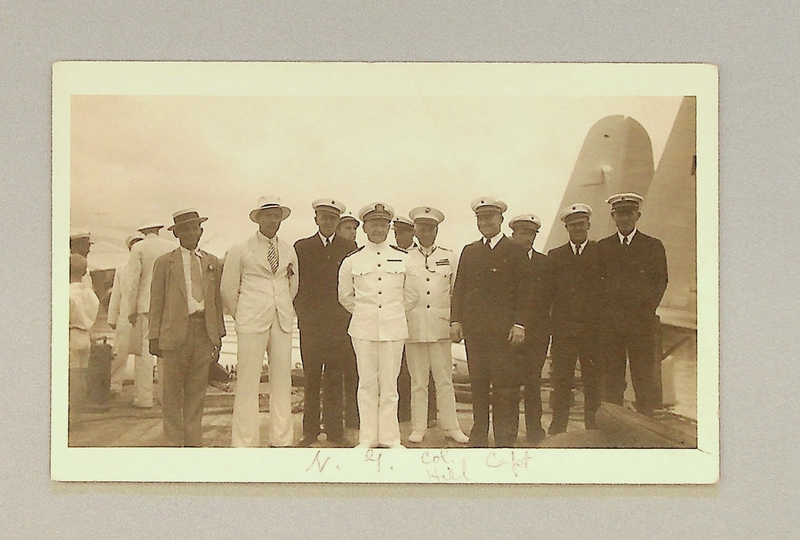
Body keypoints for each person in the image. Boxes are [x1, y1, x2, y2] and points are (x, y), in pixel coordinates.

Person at [338, 202, 419, 449]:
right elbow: (345, 297)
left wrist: (391, 313)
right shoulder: (352, 260)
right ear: (365, 227)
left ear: (389, 228)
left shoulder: (404, 258)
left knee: (390, 386)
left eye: (383, 225)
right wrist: (367, 313)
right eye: (373, 224)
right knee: (366, 384)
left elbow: (412, 296)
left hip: (393, 328)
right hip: (363, 329)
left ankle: (390, 439)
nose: (378, 229)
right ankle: (368, 439)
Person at [450, 197, 529, 447]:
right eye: (480, 218)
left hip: (504, 331)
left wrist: (519, 324)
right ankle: (479, 434)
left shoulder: (515, 250)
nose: (484, 222)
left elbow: (525, 292)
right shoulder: (470, 250)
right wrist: (456, 321)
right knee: (479, 383)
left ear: (501, 220)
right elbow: (460, 288)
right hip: (476, 330)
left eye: (489, 218)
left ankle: (505, 436)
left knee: (505, 385)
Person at [221, 196, 298, 447]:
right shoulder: (240, 250)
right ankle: (245, 442)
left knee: (282, 380)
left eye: (277, 215)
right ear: (258, 218)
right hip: (251, 320)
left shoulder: (288, 249)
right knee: (247, 381)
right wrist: (242, 313)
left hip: (282, 320)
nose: (273, 220)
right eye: (268, 215)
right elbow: (228, 289)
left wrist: (282, 306)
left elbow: (292, 285)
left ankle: (282, 438)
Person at [149, 209, 226, 447]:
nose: (191, 232)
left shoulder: (211, 261)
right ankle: (173, 441)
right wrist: (153, 335)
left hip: (204, 331)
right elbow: (157, 300)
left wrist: (219, 334)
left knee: (197, 391)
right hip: (174, 333)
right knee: (172, 392)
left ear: (201, 231)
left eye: (195, 228)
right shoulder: (165, 262)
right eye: (185, 229)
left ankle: (194, 440)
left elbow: (216, 300)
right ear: (177, 234)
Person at [293, 199, 358, 447]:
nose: (328, 222)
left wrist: (347, 318)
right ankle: (309, 432)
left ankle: (335, 432)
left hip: (339, 326)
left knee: (334, 379)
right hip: (311, 326)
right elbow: (297, 286)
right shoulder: (302, 247)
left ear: (337, 221)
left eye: (333, 218)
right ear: (316, 219)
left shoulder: (348, 247)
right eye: (324, 217)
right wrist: (303, 316)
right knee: (311, 379)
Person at [598, 193, 668, 417]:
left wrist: (644, 310)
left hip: (641, 323)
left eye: (629, 214)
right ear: (613, 216)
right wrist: (609, 315)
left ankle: (645, 421)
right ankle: (614, 420)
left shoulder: (653, 246)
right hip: (611, 325)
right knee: (613, 377)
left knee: (643, 375)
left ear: (637, 215)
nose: (625, 218)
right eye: (620, 214)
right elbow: (597, 285)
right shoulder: (603, 247)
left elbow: (660, 281)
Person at [404, 206, 469, 444]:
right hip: (414, 326)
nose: (426, 232)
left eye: (430, 228)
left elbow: (456, 292)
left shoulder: (450, 256)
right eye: (421, 227)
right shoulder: (404, 257)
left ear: (437, 230)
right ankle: (418, 427)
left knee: (444, 381)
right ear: (415, 230)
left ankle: (451, 426)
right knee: (418, 381)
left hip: (440, 327)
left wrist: (455, 321)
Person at [539, 204, 604, 435]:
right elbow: (547, 294)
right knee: (562, 379)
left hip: (592, 330)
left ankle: (592, 424)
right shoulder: (556, 256)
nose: (577, 228)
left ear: (588, 225)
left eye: (581, 224)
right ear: (566, 228)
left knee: (593, 379)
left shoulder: (600, 252)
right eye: (572, 225)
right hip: (564, 329)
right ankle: (559, 424)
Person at [508, 213, 551, 444]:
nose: (527, 238)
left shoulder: (544, 263)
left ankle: (535, 431)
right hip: (509, 334)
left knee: (533, 382)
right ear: (513, 234)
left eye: (531, 234)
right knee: (510, 384)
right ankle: (510, 431)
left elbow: (550, 298)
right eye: (522, 233)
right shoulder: (503, 260)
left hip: (537, 333)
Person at [125, 218, 175, 409]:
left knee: (144, 353)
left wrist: (131, 309)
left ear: (143, 230)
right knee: (165, 352)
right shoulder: (170, 246)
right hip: (168, 305)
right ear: (158, 229)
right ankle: (166, 397)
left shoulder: (138, 249)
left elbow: (133, 282)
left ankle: (144, 399)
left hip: (145, 305)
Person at [106, 233, 143, 396]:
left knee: (144, 355)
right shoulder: (122, 268)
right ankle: (115, 385)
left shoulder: (152, 266)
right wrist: (112, 318)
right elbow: (117, 294)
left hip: (143, 316)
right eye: (133, 245)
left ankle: (142, 391)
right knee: (120, 353)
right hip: (125, 317)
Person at [68, 254, 99, 428]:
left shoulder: (68, 294)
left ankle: (72, 419)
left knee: (72, 379)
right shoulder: (90, 294)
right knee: (81, 378)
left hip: (71, 335)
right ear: (85, 271)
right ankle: (78, 416)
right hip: (85, 336)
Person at [391, 215, 416, 424]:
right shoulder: (390, 255)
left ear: (413, 233)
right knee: (398, 368)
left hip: (418, 319)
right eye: (397, 233)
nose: (399, 237)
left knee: (423, 369)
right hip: (395, 319)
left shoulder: (419, 255)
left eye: (404, 232)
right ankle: (401, 413)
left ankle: (428, 414)